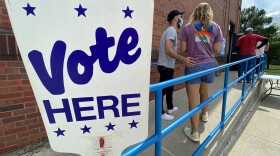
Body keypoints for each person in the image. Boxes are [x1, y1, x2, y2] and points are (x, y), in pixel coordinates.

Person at [180, 2, 223, 142]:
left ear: (196, 12)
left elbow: (182, 49)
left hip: (193, 65)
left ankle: (194, 132)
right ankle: (204, 114)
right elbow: (217, 50)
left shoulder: (187, 27)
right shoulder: (216, 27)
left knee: (193, 99)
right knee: (204, 92)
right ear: (209, 12)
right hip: (209, 65)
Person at [157, 10, 194, 121]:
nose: (182, 19)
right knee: (162, 91)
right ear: (175, 18)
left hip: (167, 66)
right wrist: (183, 59)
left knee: (169, 88)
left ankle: (170, 108)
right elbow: (168, 50)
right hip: (165, 66)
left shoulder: (170, 31)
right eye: (180, 16)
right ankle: (160, 113)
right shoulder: (171, 30)